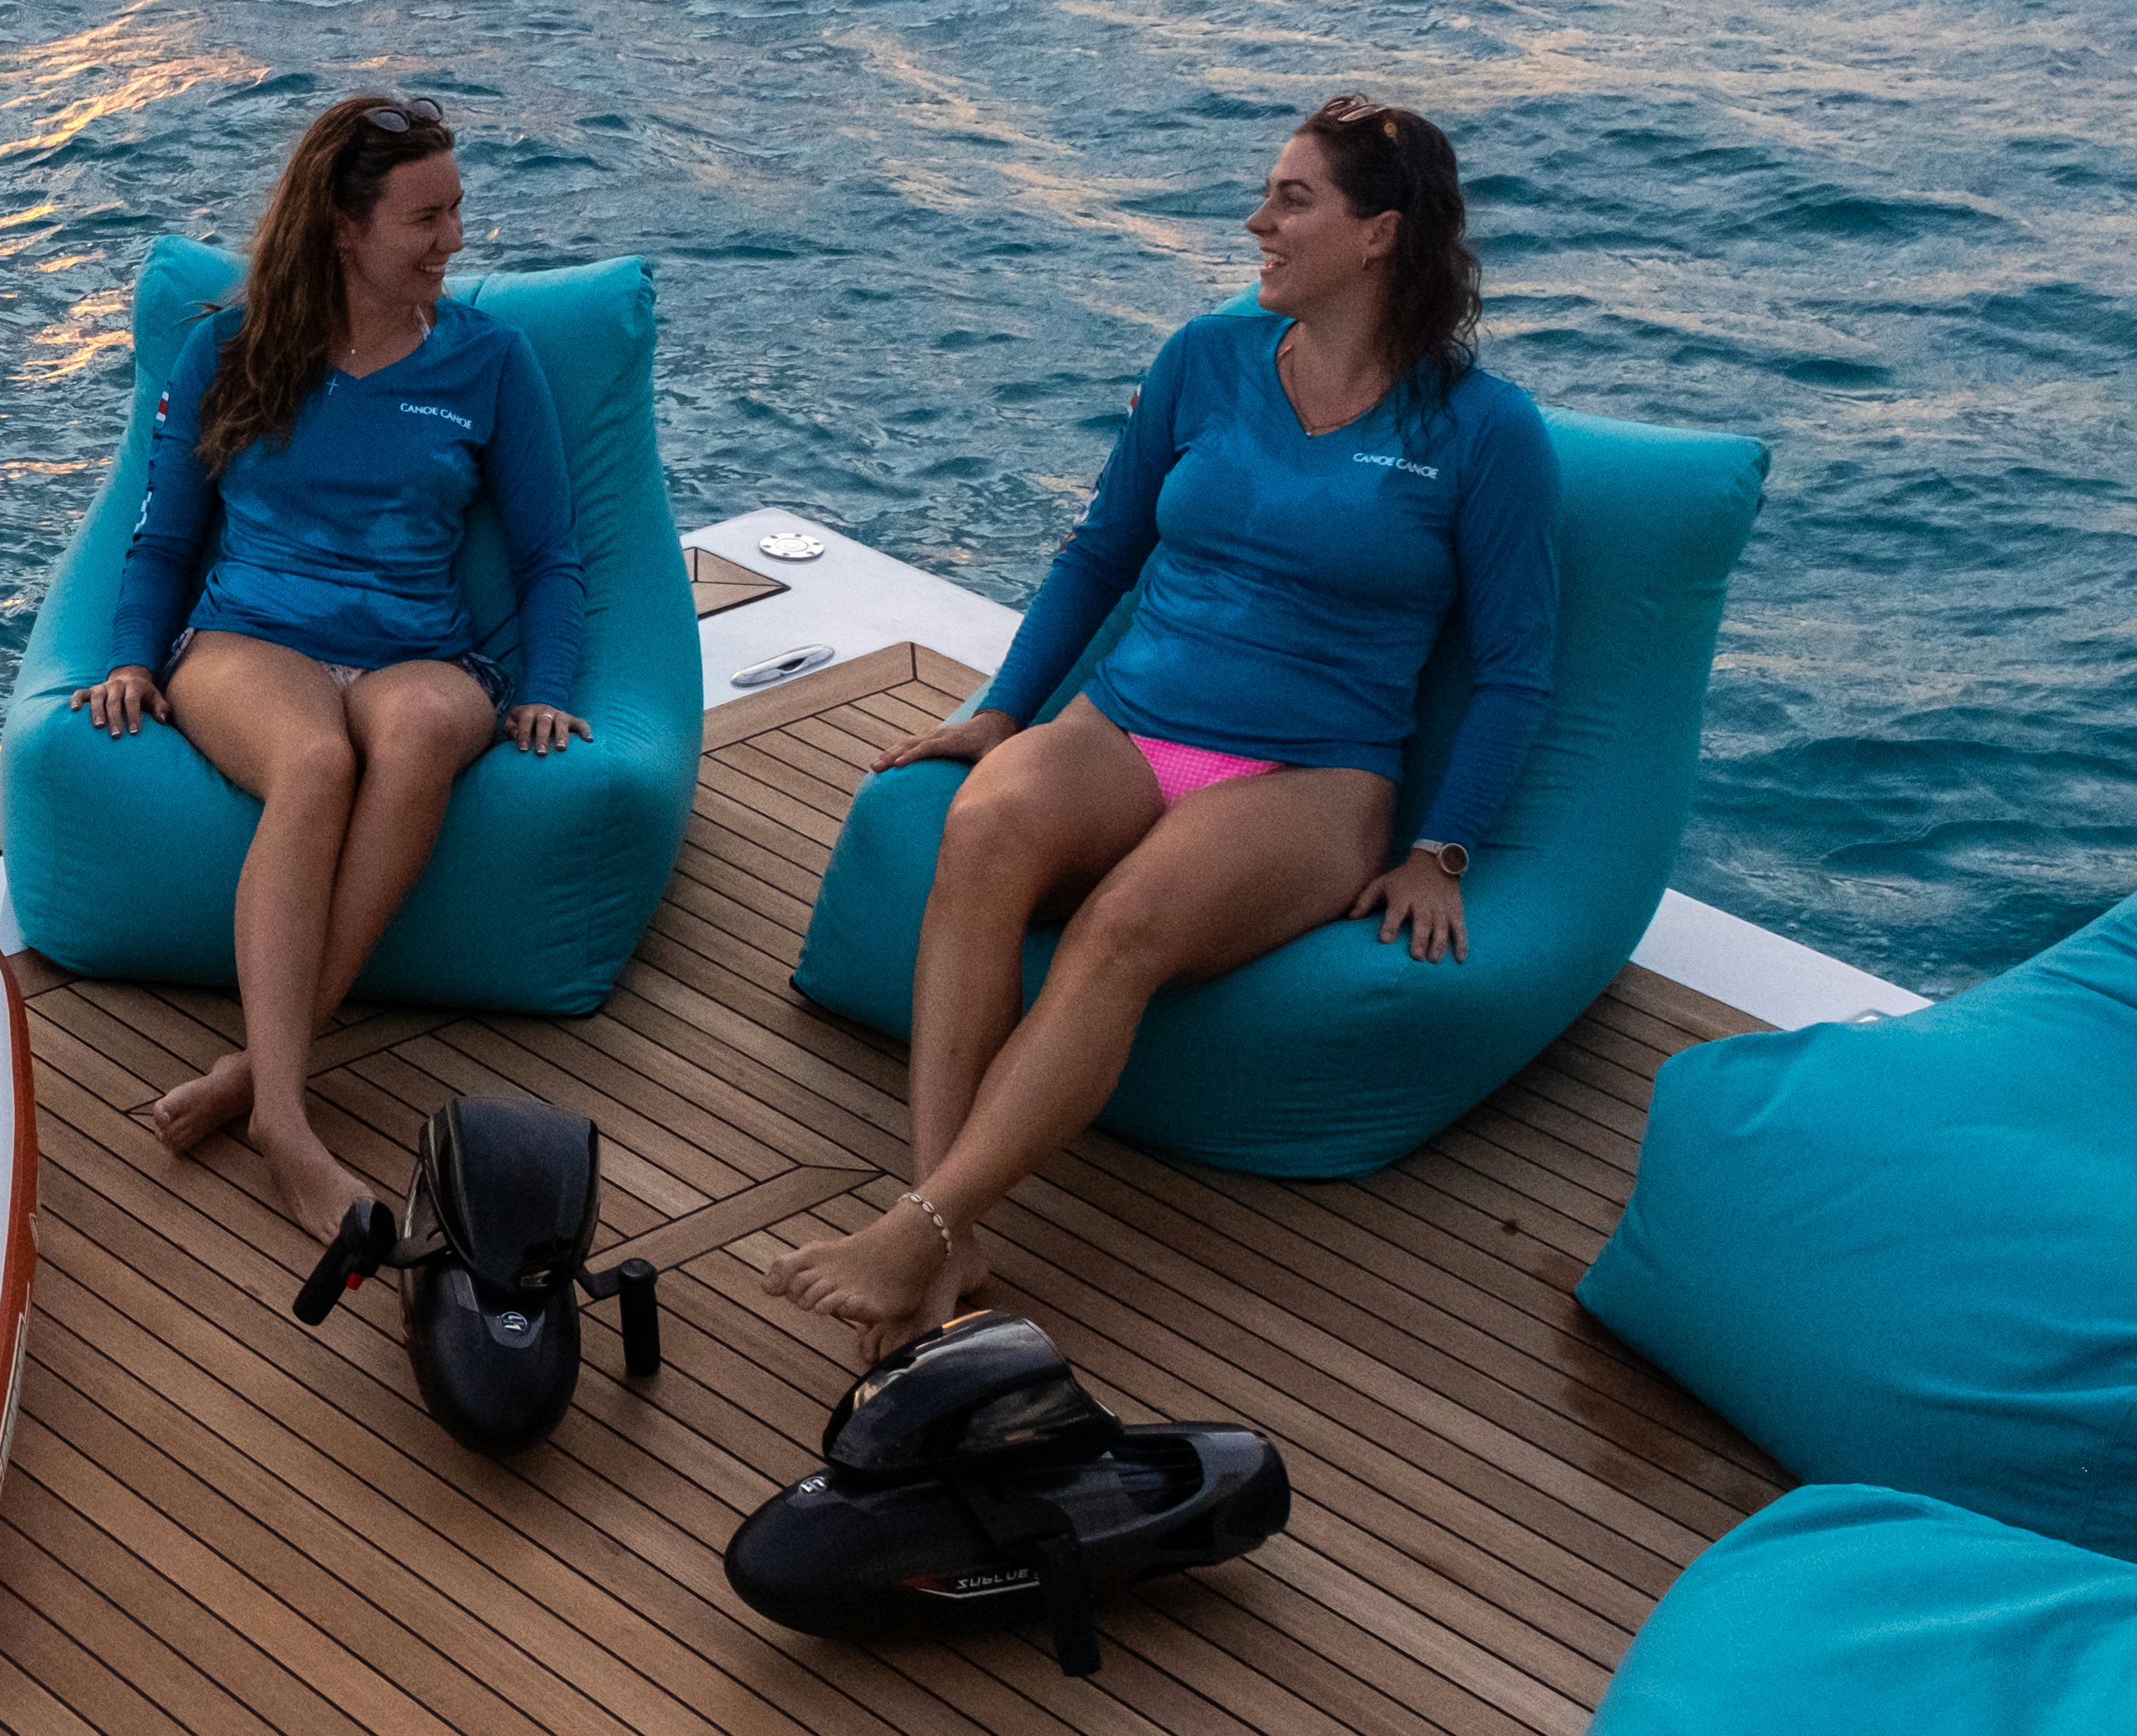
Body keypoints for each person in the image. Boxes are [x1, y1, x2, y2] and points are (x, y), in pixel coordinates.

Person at [771, 94, 1558, 1348]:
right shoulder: (1204, 356)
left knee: (1124, 925)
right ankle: (944, 1229)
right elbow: (1098, 553)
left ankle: (913, 1226)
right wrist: (1002, 712)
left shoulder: (1482, 431)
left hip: (1310, 776)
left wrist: (1441, 846)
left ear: (1378, 234)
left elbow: (1518, 667)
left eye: (1292, 198)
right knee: (980, 831)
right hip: (1131, 717)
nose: (1258, 220)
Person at [80, 93, 590, 1252]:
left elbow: (549, 550)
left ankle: (251, 1072)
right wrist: (123, 656)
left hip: (418, 644)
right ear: (345, 226)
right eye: (426, 215)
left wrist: (550, 680)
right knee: (311, 764)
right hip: (250, 637)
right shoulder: (231, 347)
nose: (454, 237)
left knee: (409, 740)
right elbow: (161, 536)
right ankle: (288, 1122)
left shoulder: (488, 361)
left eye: (456, 207)